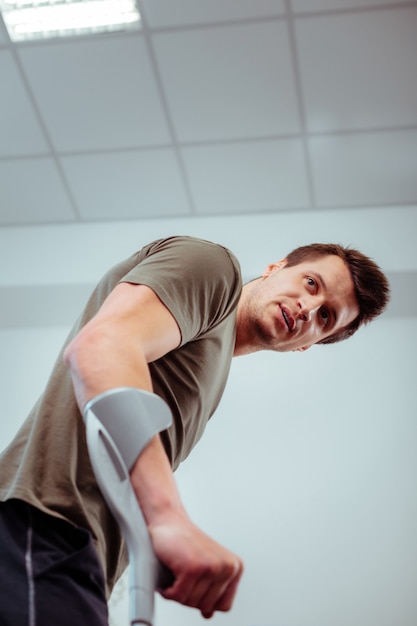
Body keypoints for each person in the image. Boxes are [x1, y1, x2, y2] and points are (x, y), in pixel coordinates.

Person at [0, 235, 390, 625]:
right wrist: (168, 518)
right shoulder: (214, 266)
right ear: (276, 267)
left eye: (325, 317)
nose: (308, 309)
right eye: (311, 283)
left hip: (79, 558)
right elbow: (101, 346)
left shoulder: (212, 363)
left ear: (308, 345)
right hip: (47, 527)